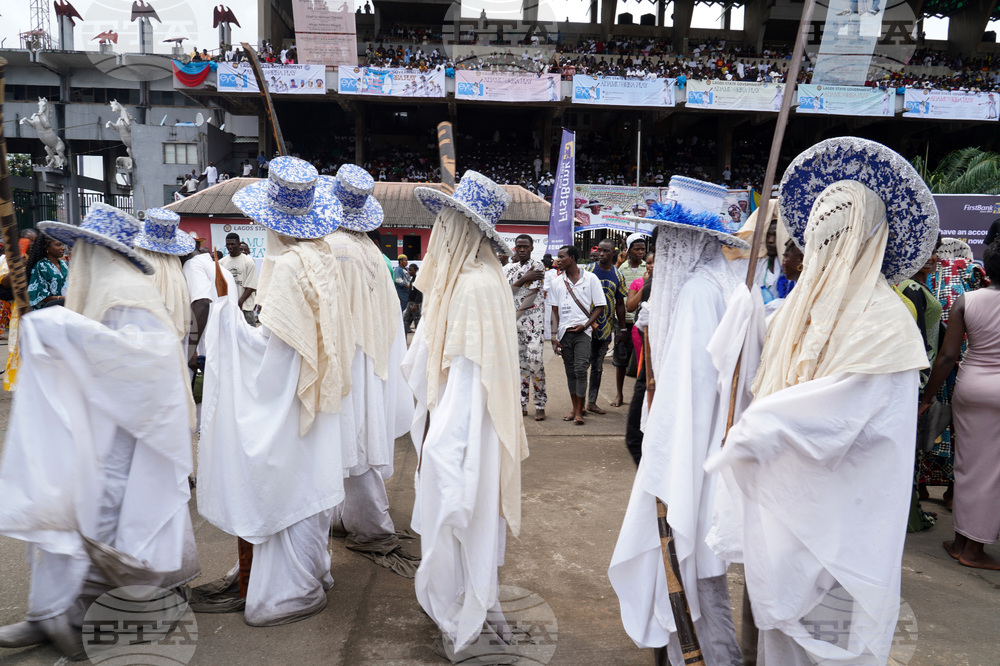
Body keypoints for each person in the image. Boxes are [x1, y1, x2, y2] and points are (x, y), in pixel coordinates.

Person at [706, 138, 938, 665]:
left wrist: (753, 431)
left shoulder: (885, 324)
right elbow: (753, 367)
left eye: (839, 237)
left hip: (841, 523)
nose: (823, 250)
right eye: (820, 236)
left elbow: (833, 416)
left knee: (833, 649)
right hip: (786, 515)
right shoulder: (791, 312)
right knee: (778, 642)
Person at [0, 204, 198, 658]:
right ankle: (50, 614)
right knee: (69, 511)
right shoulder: (115, 288)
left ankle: (82, 619)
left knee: (100, 521)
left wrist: (59, 326)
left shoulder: (125, 293)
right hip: (102, 427)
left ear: (93, 252)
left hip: (122, 439)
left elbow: (143, 360)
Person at [609, 176, 757, 665]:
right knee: (699, 579)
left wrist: (665, 468)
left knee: (690, 573)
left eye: (665, 239)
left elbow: (684, 402)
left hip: (693, 455)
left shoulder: (698, 291)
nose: (659, 249)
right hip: (712, 450)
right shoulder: (729, 283)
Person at [197, 156, 347, 626]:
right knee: (308, 480)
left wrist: (228, 323)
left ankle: (286, 589)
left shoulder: (284, 265)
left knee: (284, 483)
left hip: (288, 397)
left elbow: (274, 351)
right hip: (318, 394)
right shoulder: (323, 256)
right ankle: (311, 571)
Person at [402, 171, 528, 663]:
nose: (439, 237)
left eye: (447, 227)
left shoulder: (475, 287)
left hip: (468, 433)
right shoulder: (479, 278)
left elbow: (468, 384)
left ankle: (463, 609)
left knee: (459, 511)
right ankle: (474, 603)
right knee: (468, 523)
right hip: (468, 427)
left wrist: (440, 447)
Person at [323, 163, 417, 576]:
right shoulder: (370, 251)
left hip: (345, 354)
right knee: (357, 438)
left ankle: (366, 524)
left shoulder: (332, 247)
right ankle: (351, 518)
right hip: (370, 355)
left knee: (349, 439)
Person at [920, 240, 1000, 570]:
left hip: (969, 387)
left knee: (967, 465)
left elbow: (948, 357)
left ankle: (959, 542)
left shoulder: (967, 300)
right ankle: (974, 551)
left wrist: (928, 397)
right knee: (992, 473)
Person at [919, 238, 980, 505]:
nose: (933, 257)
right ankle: (925, 489)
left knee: (947, 424)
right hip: (936, 361)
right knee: (932, 424)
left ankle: (946, 490)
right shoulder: (912, 281)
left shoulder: (966, 275)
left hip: (950, 363)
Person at [547, 244, 604, 425]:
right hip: (565, 333)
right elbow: (554, 312)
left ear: (572, 258)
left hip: (583, 332)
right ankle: (574, 408)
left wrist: (585, 325)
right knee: (570, 371)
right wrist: (554, 337)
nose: (558, 260)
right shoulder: (557, 282)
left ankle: (579, 411)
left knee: (580, 369)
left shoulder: (591, 278)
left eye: (562, 256)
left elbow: (600, 306)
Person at [504, 234, 547, 421]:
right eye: (519, 246)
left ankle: (540, 403)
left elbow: (531, 295)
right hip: (514, 325)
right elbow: (506, 292)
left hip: (533, 323)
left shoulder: (537, 266)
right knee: (519, 366)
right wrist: (523, 279)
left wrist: (514, 316)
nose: (522, 250)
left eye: (525, 247)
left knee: (535, 362)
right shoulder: (508, 268)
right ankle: (521, 403)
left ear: (531, 248)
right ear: (515, 247)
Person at [584, 238, 627, 415]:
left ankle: (591, 402)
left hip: (605, 328)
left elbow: (619, 304)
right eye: (600, 251)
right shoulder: (588, 271)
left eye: (606, 251)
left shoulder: (618, 276)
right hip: (585, 328)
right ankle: (578, 404)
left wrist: (622, 328)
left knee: (598, 366)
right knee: (582, 365)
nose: (601, 254)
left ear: (613, 253)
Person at [614, 233, 647, 407]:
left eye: (643, 248)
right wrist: (618, 263)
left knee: (642, 359)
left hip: (642, 319)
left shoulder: (647, 268)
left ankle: (640, 395)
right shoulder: (622, 269)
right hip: (623, 320)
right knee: (621, 358)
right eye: (637, 249)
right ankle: (619, 395)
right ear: (629, 250)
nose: (641, 252)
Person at [220, 232, 259, 325]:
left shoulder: (248, 262)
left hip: (245, 307)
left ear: (239, 243)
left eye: (233, 244)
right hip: (228, 306)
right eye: (228, 244)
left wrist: (240, 301)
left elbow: (251, 286)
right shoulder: (221, 263)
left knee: (249, 335)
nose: (230, 247)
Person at [26, 232, 68, 308]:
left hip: (64, 308)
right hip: (47, 311)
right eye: (58, 245)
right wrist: (61, 298)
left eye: (63, 244)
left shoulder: (64, 264)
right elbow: (38, 295)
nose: (63, 248)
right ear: (47, 247)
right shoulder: (41, 266)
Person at [404, 263, 422, 334]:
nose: (409, 272)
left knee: (417, 321)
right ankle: (404, 341)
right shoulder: (412, 279)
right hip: (410, 303)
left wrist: (416, 304)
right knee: (405, 320)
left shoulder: (417, 280)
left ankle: (418, 340)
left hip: (415, 304)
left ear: (416, 270)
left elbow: (419, 293)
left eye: (411, 270)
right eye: (408, 270)